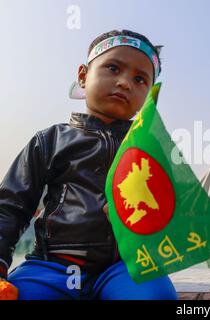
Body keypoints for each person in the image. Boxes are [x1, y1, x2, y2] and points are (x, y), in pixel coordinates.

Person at [0, 29, 177, 300]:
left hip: (125, 267)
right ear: (83, 75)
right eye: (113, 67)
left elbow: (172, 216)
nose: (125, 82)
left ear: (148, 95)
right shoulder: (50, 140)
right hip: (53, 264)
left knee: (154, 295)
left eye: (140, 79)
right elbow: (11, 206)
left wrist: (141, 219)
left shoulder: (149, 151)